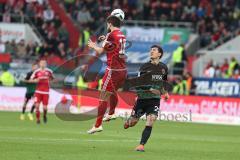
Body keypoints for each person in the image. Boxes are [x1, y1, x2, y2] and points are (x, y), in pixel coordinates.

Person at [124, 45, 170, 152]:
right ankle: (128, 122)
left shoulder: (164, 68)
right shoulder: (144, 67)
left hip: (154, 100)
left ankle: (141, 145)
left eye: (154, 50)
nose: (151, 51)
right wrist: (150, 88)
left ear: (159, 54)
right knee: (133, 122)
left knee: (151, 121)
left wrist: (165, 93)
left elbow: (163, 83)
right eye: (151, 50)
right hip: (142, 100)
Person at [87, 15, 127, 134]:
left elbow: (100, 51)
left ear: (110, 24)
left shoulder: (111, 35)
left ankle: (97, 125)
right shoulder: (122, 35)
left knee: (103, 96)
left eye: (107, 24)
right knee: (112, 91)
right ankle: (111, 113)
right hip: (122, 70)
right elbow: (119, 52)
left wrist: (93, 45)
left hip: (113, 70)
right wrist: (106, 40)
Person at [30, 59, 54, 124]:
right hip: (38, 92)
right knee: (37, 106)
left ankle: (44, 116)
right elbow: (31, 80)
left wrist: (50, 81)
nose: (43, 64)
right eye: (41, 63)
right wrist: (35, 80)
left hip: (46, 92)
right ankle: (38, 119)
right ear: (39, 64)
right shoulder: (36, 72)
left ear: (46, 64)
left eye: (44, 63)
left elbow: (52, 79)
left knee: (45, 108)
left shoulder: (49, 71)